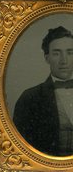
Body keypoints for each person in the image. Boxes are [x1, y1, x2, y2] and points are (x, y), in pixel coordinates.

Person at [13, 26, 73, 156]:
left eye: (70, 52)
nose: (64, 60)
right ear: (47, 58)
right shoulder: (29, 98)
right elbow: (20, 149)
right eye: (57, 53)